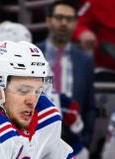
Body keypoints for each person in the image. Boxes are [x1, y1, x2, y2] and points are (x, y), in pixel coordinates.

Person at [39, 1, 96, 146]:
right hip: (36, 138)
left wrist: (86, 144)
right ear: (48, 20)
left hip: (72, 141)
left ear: (76, 23)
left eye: (69, 19)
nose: (64, 23)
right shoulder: (33, 53)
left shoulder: (85, 61)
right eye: (59, 18)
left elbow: (89, 107)